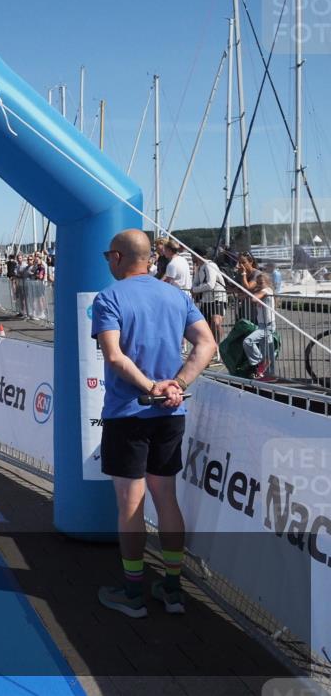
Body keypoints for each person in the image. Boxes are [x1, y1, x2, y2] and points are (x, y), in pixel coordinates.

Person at [91, 229, 216, 618]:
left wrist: (152, 387)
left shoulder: (109, 297)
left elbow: (113, 357)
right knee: (166, 499)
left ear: (117, 257)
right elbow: (207, 344)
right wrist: (176, 386)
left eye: (108, 256)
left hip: (131, 412)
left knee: (130, 504)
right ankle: (173, 589)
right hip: (169, 414)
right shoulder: (177, 296)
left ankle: (132, 593)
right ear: (150, 259)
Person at [190, 248, 228, 349]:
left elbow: (210, 284)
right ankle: (211, 347)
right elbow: (195, 283)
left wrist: (195, 290)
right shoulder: (199, 267)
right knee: (204, 325)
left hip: (217, 297)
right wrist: (194, 288)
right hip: (206, 299)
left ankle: (218, 347)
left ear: (197, 255)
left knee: (216, 322)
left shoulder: (209, 265)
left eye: (192, 255)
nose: (191, 257)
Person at [243, 272, 277, 380]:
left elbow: (254, 299)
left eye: (261, 282)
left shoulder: (267, 290)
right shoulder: (260, 292)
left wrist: (254, 294)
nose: (260, 284)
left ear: (267, 282)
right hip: (262, 324)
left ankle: (261, 362)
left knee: (248, 341)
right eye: (258, 283)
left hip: (268, 325)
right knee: (268, 351)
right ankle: (270, 374)